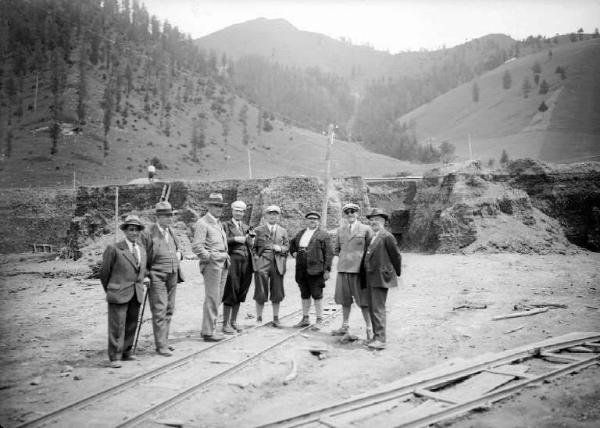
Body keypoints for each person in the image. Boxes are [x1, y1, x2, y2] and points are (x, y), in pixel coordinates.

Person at [99, 215, 148, 368]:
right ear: (125, 231)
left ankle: (127, 351)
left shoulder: (141, 249)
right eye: (131, 230)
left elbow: (140, 270)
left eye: (137, 230)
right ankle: (115, 356)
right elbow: (104, 273)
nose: (134, 233)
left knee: (132, 323)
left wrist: (144, 279)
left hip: (136, 292)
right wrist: (112, 288)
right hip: (118, 292)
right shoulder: (114, 248)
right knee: (117, 325)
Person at [139, 201, 184, 357]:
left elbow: (178, 249)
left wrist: (180, 255)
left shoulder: (170, 231)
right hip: (156, 276)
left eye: (171, 215)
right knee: (159, 309)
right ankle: (160, 345)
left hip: (172, 274)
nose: (170, 218)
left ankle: (164, 341)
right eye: (166, 216)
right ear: (158, 217)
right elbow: (142, 256)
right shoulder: (148, 233)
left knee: (170, 308)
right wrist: (145, 275)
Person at [331, 203, 374, 340]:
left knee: (364, 301)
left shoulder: (366, 229)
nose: (350, 214)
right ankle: (345, 326)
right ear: (344, 214)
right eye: (347, 212)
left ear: (357, 213)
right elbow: (336, 249)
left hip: (359, 271)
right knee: (345, 300)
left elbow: (371, 249)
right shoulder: (340, 230)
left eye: (353, 211)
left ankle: (369, 328)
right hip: (343, 270)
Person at [362, 208, 402, 350]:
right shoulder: (373, 236)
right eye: (372, 220)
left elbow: (396, 256)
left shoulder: (387, 236)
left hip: (380, 277)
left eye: (377, 220)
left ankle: (381, 339)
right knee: (372, 307)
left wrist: (395, 273)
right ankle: (375, 336)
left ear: (384, 222)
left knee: (378, 308)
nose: (374, 222)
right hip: (371, 277)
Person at [192, 193, 229, 342]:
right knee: (212, 297)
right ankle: (208, 332)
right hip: (213, 265)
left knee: (217, 297)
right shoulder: (203, 223)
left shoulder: (217, 223)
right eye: (216, 206)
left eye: (220, 206)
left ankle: (209, 329)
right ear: (209, 206)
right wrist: (211, 258)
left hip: (223, 262)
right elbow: (197, 247)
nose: (219, 209)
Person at [289, 211, 333, 329]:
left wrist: (327, 270)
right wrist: (293, 252)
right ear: (306, 221)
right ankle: (305, 318)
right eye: (310, 219)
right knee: (304, 294)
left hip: (316, 269)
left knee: (317, 295)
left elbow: (329, 253)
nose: (312, 221)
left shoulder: (323, 235)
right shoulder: (300, 233)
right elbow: (292, 243)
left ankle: (319, 320)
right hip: (301, 269)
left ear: (318, 221)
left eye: (315, 219)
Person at [221, 200, 255, 334]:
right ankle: (225, 323)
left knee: (241, 290)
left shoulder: (247, 227)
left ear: (244, 213)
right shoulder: (225, 226)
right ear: (232, 211)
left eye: (241, 211)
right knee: (231, 290)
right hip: (233, 261)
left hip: (246, 262)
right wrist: (235, 239)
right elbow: (221, 242)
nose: (239, 213)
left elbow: (251, 246)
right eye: (236, 210)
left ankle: (234, 321)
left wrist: (251, 240)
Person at [253, 205, 289, 327]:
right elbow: (252, 248)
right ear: (265, 216)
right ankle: (259, 318)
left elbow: (287, 247)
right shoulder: (258, 230)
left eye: (275, 214)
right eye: (270, 214)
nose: (272, 216)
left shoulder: (283, 231)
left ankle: (276, 318)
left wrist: (280, 248)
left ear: (278, 216)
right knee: (260, 291)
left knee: (277, 291)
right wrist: (257, 261)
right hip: (263, 262)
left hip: (278, 263)